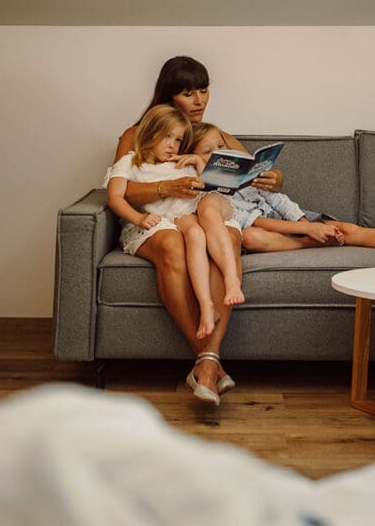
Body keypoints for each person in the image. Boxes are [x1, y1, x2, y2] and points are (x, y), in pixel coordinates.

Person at [112, 56, 283, 407]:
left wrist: (273, 178)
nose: (199, 101)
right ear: (168, 95)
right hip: (154, 218)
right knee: (174, 244)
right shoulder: (138, 134)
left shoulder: (215, 132)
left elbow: (257, 169)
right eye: (189, 94)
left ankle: (205, 366)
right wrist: (167, 189)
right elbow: (121, 190)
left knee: (227, 236)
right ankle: (209, 361)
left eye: (203, 92)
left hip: (202, 212)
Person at [105, 105, 245, 347]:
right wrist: (138, 220)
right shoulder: (130, 162)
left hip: (188, 211)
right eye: (167, 137)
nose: (173, 145)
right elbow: (115, 197)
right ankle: (206, 305)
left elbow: (210, 184)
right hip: (166, 217)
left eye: (178, 139)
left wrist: (198, 160)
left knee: (197, 235)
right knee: (192, 237)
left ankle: (228, 284)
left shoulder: (179, 161)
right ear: (149, 134)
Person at [190, 123, 375, 255]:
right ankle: (314, 245)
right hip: (271, 231)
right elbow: (257, 222)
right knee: (253, 237)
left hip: (291, 220)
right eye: (208, 151)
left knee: (347, 228)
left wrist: (303, 220)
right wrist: (307, 231)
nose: (218, 153)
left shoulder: (245, 175)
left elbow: (279, 200)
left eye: (221, 146)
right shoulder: (214, 196)